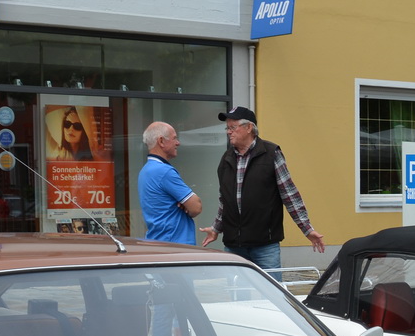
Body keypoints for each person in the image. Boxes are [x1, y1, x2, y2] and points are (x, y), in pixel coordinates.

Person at [200, 106, 324, 273]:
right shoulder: (226, 159)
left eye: (232, 127)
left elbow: (289, 194)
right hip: (233, 246)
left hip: (265, 245)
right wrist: (216, 229)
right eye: (227, 128)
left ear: (249, 127)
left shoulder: (271, 153)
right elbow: (225, 201)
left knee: (271, 295)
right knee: (238, 297)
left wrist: (307, 229)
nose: (229, 132)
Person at [137, 122, 201, 245]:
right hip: (176, 245)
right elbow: (196, 207)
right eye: (174, 138)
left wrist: (184, 203)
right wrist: (186, 204)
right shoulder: (164, 171)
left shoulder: (146, 170)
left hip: (158, 241)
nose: (178, 143)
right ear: (161, 141)